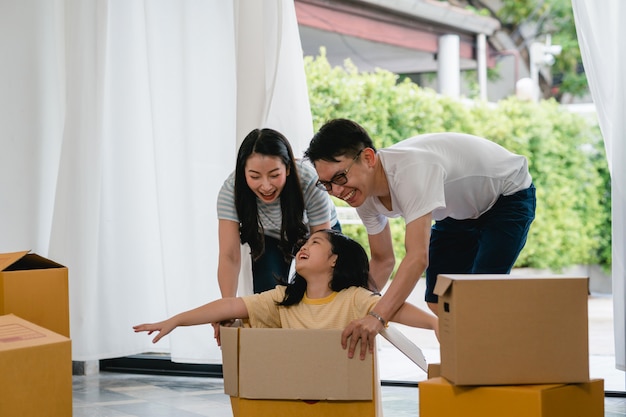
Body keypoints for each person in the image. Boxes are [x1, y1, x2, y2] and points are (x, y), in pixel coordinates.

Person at [304, 118, 535, 359]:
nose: (338, 192)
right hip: (457, 212)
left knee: (480, 297)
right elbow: (383, 261)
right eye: (327, 185)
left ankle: (503, 359)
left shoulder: (410, 171)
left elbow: (417, 258)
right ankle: (469, 362)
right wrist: (347, 309)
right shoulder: (363, 195)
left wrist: (376, 317)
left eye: (340, 178)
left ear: (369, 158)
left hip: (508, 194)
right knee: (438, 299)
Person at [134, 230, 438, 355]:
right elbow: (228, 306)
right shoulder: (282, 299)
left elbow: (393, 309)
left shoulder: (354, 298)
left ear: (335, 260)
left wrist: (436, 324)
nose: (304, 247)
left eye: (316, 244)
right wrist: (175, 320)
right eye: (304, 244)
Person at [216, 128, 340, 298]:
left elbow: (321, 247)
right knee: (269, 294)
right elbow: (229, 256)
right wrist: (227, 306)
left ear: (288, 168)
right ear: (243, 172)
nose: (266, 186)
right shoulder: (231, 191)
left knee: (325, 288)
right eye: (255, 176)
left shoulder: (308, 180)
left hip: (315, 232)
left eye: (274, 175)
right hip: (270, 235)